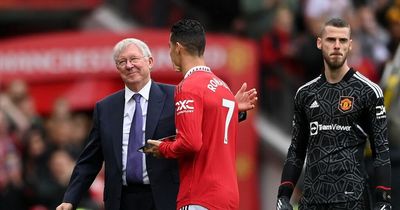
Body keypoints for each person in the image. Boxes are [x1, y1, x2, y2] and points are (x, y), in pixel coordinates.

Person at [56, 37, 257, 210]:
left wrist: (232, 108)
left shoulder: (176, 95)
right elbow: (89, 160)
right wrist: (70, 199)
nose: (129, 65)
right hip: (120, 200)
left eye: (134, 59)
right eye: (122, 61)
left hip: (164, 197)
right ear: (117, 68)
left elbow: (204, 124)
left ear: (150, 61)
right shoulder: (105, 108)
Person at [275, 18, 392, 210]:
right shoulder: (305, 94)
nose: (337, 46)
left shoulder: (369, 92)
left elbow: (381, 151)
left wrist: (384, 200)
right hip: (311, 201)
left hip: (352, 201)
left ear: (350, 45)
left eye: (343, 40)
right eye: (331, 40)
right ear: (319, 43)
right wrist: (283, 196)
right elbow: (296, 150)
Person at [146, 19, 242, 210]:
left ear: (178, 48)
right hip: (229, 197)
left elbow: (191, 142)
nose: (170, 53)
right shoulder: (223, 87)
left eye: (170, 47)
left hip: (201, 196)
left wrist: (164, 148)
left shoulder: (188, 87)